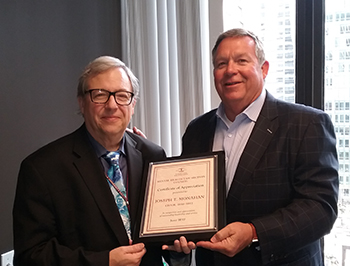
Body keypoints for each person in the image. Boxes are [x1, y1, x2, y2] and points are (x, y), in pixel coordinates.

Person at [180, 28, 339, 265]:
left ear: (264, 69)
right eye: (221, 63)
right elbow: (187, 200)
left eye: (241, 60)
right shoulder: (197, 130)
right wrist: (178, 233)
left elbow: (320, 209)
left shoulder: (306, 124)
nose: (230, 70)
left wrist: (254, 232)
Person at [13, 56, 190, 266]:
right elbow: (30, 256)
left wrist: (178, 252)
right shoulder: (42, 169)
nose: (112, 105)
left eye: (122, 96)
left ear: (132, 105)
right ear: (81, 102)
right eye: (100, 95)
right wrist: (103, 262)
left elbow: (163, 241)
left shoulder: (153, 156)